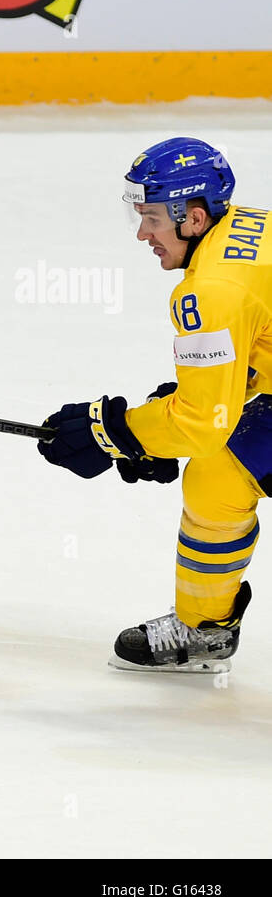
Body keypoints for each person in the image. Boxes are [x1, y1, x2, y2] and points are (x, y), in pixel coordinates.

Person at [38, 136, 270, 672]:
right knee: (220, 474)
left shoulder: (210, 290)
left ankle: (203, 628)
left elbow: (201, 425)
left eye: (152, 220)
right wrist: (155, 426)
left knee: (216, 460)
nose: (143, 234)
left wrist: (113, 433)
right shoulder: (252, 225)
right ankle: (204, 628)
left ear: (192, 217)